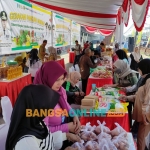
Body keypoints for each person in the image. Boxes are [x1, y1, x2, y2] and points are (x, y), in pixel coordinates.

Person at [5, 85, 80, 150]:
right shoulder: (26, 142)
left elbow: (46, 140)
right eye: (49, 107)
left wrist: (66, 136)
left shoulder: (38, 122)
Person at [33, 61, 81, 149]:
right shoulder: (41, 100)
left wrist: (74, 115)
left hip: (64, 135)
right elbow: (42, 131)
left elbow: (66, 104)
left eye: (62, 79)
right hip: (51, 143)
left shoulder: (60, 90)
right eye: (56, 80)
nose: (60, 83)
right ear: (46, 78)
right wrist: (66, 128)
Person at [119, 59, 150, 150]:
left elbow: (148, 99)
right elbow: (139, 95)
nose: (138, 71)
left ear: (144, 68)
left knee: (141, 138)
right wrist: (127, 98)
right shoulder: (145, 78)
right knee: (140, 137)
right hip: (142, 115)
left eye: (139, 69)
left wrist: (144, 115)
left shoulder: (149, 81)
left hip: (145, 116)